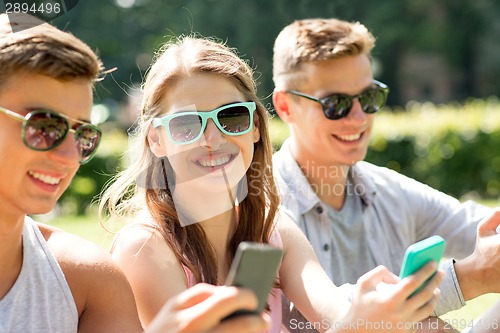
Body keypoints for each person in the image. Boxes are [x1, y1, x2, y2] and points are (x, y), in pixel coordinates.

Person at [100, 35, 445, 333]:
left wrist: (370, 315)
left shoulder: (272, 227)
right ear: (156, 140)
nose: (212, 139)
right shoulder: (146, 250)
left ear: (254, 127)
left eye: (231, 117)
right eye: (187, 125)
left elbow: (335, 318)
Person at [0, 12, 272, 333]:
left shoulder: (88, 279)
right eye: (44, 127)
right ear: (154, 139)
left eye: (82, 135)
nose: (69, 156)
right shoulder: (139, 251)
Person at [271, 18, 500, 332]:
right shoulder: (262, 207)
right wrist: (468, 279)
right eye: (335, 104)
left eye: (369, 98)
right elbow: (323, 322)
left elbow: (474, 222)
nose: (358, 117)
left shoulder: (387, 189)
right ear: (285, 107)